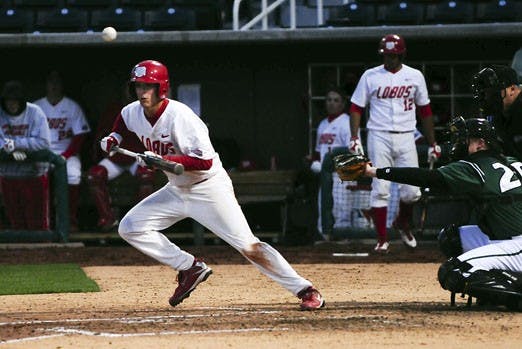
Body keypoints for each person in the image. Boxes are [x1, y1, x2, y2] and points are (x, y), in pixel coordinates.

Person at [99, 59, 325, 310]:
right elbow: (122, 122)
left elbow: (204, 161)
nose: (143, 92)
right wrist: (113, 138)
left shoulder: (181, 117)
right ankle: (189, 267)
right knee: (130, 227)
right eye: (139, 86)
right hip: (176, 190)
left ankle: (305, 289)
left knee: (249, 246)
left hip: (207, 188)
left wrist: (162, 161)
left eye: (148, 86)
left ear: (161, 88)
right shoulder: (132, 111)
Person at [361, 116, 522, 310]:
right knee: (452, 238)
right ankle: (498, 287)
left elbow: (428, 178)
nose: (459, 144)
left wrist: (375, 172)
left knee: (454, 272)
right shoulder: (512, 162)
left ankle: (516, 295)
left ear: (480, 144)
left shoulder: (476, 166)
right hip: (509, 237)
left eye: (465, 139)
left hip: (518, 244)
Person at [348, 33, 441, 253]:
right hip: (378, 134)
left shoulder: (415, 76)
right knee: (380, 187)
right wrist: (354, 137)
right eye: (386, 55)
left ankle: (401, 221)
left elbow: (425, 110)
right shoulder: (370, 76)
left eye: (393, 55)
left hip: (407, 134)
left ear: (401, 54)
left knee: (412, 192)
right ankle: (382, 239)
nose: (389, 59)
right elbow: (356, 107)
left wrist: (432, 142)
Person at [87, 79, 154, 232]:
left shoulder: (147, 110)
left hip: (137, 157)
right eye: (132, 89)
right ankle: (108, 218)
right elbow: (102, 136)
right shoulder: (115, 110)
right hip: (116, 158)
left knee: (146, 176)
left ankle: (139, 221)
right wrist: (104, 148)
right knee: (94, 176)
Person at [33, 70, 91, 232]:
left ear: (62, 85)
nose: (53, 86)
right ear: (46, 85)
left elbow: (80, 135)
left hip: (67, 153)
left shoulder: (71, 106)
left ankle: (70, 221)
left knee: (74, 175)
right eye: (50, 82)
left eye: (57, 83)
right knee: (37, 177)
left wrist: (65, 156)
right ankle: (43, 223)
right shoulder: (36, 107)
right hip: (42, 153)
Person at [308, 86, 359, 240]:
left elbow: (354, 153)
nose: (331, 103)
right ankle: (327, 246)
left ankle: (343, 245)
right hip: (326, 176)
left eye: (336, 100)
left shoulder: (347, 123)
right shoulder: (323, 124)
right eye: (329, 100)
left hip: (342, 175)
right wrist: (315, 162)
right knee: (323, 211)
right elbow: (318, 152)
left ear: (343, 104)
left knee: (341, 213)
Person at [0, 80, 51, 229]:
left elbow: (43, 142)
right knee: (17, 223)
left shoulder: (35, 112)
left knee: (37, 223)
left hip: (34, 174)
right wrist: (8, 149)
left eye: (15, 100)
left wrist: (16, 145)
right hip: (8, 174)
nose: (12, 104)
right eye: (8, 100)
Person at [471, 64, 522, 159]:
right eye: (484, 94)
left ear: (512, 89)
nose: (487, 98)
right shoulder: (499, 115)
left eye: (493, 94)